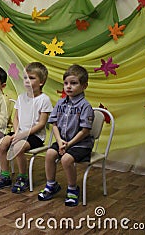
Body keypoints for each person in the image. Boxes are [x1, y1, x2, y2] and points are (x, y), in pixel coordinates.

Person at [0, 62, 53, 193]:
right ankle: (5, 175)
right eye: (25, 78)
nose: (27, 81)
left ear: (41, 82)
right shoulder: (21, 97)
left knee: (18, 147)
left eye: (31, 78)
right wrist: (17, 131)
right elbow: (16, 118)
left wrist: (22, 135)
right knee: (2, 144)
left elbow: (41, 124)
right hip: (20, 132)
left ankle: (23, 177)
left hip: (35, 136)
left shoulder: (44, 99)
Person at [38, 64, 94, 207]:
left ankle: (72, 189)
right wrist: (60, 140)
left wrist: (68, 145)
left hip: (80, 143)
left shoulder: (85, 106)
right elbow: (54, 123)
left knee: (66, 159)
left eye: (73, 83)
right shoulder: (61, 102)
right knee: (50, 153)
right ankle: (51, 185)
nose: (68, 87)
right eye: (66, 83)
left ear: (84, 86)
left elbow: (85, 131)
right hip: (62, 140)